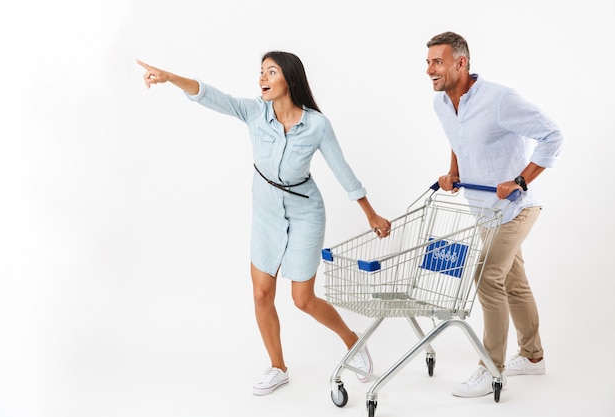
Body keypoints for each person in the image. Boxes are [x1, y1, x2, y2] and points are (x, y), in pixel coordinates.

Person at [137, 52, 391, 396]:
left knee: (302, 299)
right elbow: (211, 96)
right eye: (260, 72)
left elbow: (342, 170)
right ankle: (278, 367)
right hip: (266, 212)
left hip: (305, 212)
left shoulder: (316, 124)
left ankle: (352, 341)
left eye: (271, 71)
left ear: (289, 78)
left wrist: (370, 213)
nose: (262, 78)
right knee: (261, 294)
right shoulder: (256, 112)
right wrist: (169, 77)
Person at [425, 32, 564, 398]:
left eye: (437, 62)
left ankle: (491, 367)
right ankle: (533, 358)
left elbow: (552, 135)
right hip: (482, 211)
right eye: (427, 63)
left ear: (461, 63)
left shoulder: (499, 99)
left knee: (486, 278)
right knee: (513, 283)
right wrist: (453, 171)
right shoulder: (441, 104)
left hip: (517, 208)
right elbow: (457, 139)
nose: (429, 70)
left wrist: (520, 179)